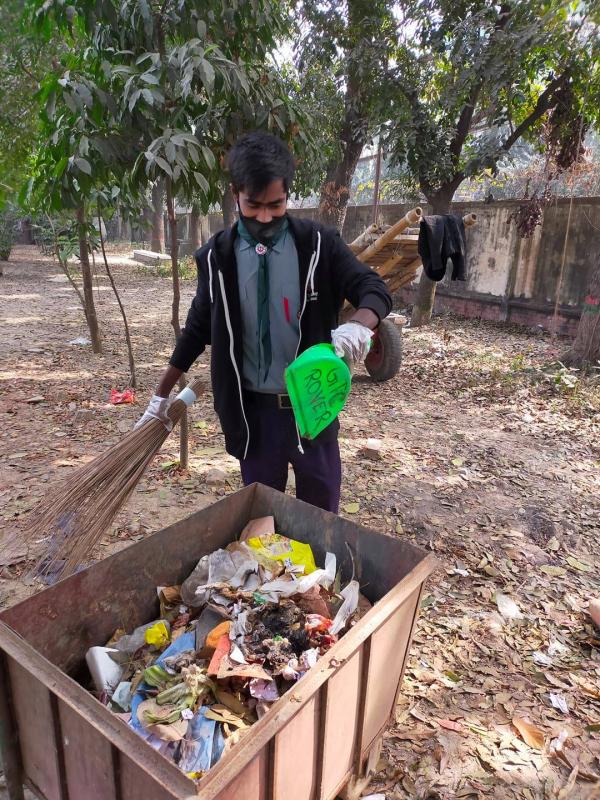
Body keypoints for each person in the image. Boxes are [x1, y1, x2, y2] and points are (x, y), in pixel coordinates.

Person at [136, 131, 392, 513]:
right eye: (253, 205)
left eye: (276, 204)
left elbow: (373, 287)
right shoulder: (215, 258)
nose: (266, 216)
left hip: (314, 408)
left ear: (288, 194)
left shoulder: (318, 246)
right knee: (262, 524)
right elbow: (196, 329)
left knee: (321, 517)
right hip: (252, 415)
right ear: (235, 192)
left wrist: (360, 322)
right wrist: (160, 396)